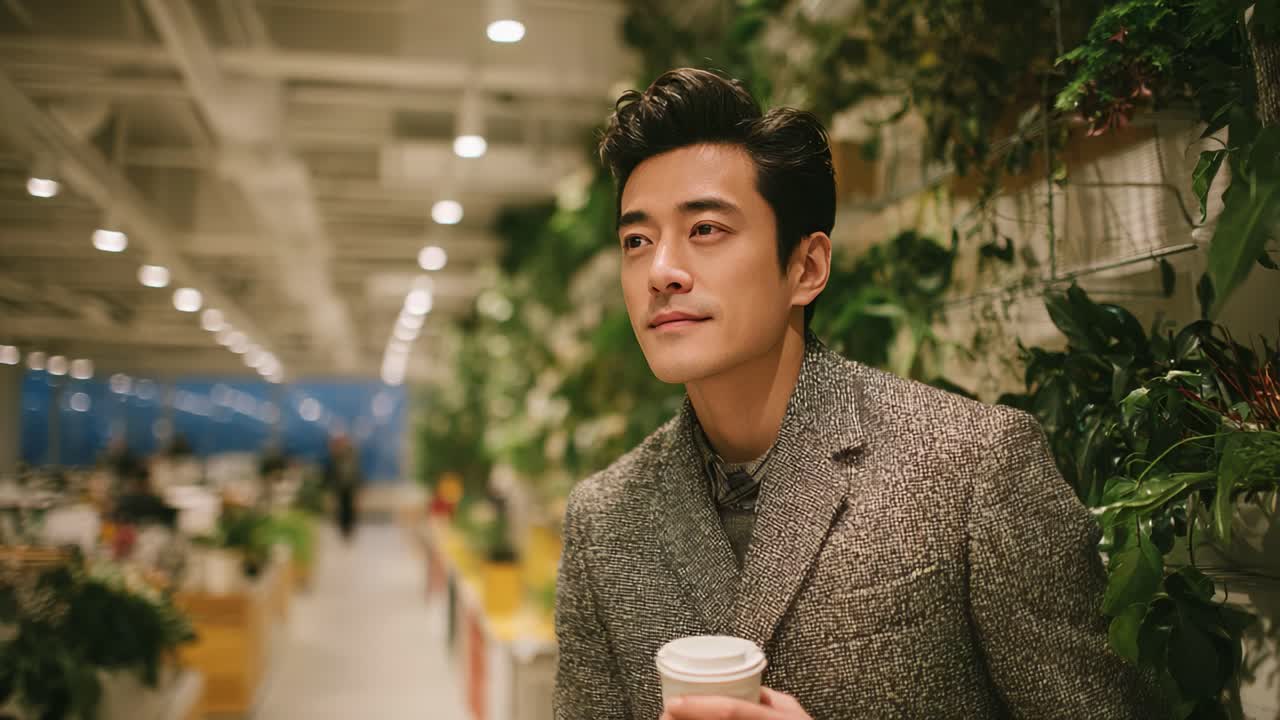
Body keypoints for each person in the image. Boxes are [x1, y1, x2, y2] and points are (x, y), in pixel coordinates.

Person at [552, 68, 1164, 720]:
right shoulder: (604, 519)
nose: (662, 272)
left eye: (705, 229)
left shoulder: (972, 465)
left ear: (806, 267)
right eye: (636, 241)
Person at [324, 433, 362, 540]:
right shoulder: (337, 454)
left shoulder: (350, 453)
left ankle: (349, 528)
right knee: (342, 507)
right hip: (341, 485)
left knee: (349, 507)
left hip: (349, 484)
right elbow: (332, 470)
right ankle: (344, 528)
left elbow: (354, 470)